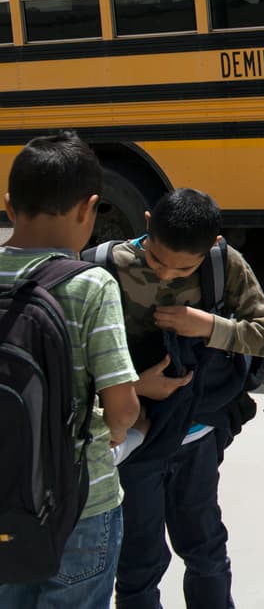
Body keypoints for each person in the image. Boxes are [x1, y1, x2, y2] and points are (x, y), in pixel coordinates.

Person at [106, 188, 264, 609]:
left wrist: (207, 325)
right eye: (156, 260)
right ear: (146, 223)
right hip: (135, 441)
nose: (167, 275)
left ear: (215, 245)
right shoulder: (104, 268)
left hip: (198, 436)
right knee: (137, 562)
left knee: (205, 548)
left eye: (183, 268)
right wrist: (136, 388)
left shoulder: (225, 264)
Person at [0, 132, 140, 609]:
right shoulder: (90, 284)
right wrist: (117, 432)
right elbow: (121, 408)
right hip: (81, 501)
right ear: (89, 208)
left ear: (8, 204)